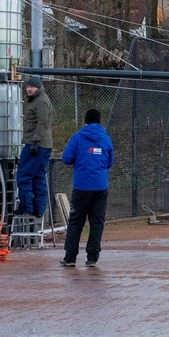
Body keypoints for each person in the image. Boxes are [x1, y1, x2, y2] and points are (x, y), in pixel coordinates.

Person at [59, 108, 114, 268]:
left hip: (82, 186)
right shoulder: (106, 139)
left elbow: (66, 158)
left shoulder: (77, 137)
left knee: (76, 221)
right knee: (97, 221)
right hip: (100, 186)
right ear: (99, 121)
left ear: (86, 120)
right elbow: (109, 163)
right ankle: (92, 257)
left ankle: (70, 257)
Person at [16, 75, 54, 217]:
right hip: (43, 144)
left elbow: (42, 122)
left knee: (23, 174)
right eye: (27, 87)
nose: (29, 89)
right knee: (38, 176)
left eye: (31, 87)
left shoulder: (40, 102)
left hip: (35, 144)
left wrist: (35, 142)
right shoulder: (41, 100)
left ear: (38, 87)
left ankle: (26, 206)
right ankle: (39, 209)